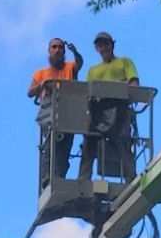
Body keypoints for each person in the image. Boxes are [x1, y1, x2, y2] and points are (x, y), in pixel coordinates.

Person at [81, 31, 139, 177]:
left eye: (106, 44)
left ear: (112, 45)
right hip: (97, 111)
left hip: (118, 109)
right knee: (89, 141)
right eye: (100, 45)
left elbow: (134, 85)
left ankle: (130, 177)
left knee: (122, 142)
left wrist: (120, 87)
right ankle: (84, 177)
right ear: (97, 49)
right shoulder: (93, 70)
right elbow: (87, 95)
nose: (104, 48)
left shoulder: (124, 62)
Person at [28, 37, 82, 180]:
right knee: (50, 146)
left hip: (68, 112)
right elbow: (30, 92)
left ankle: (58, 177)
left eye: (60, 47)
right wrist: (43, 85)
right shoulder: (41, 73)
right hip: (49, 112)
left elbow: (79, 64)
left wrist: (74, 51)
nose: (57, 50)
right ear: (49, 50)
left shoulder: (69, 67)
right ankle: (47, 178)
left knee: (64, 149)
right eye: (54, 47)